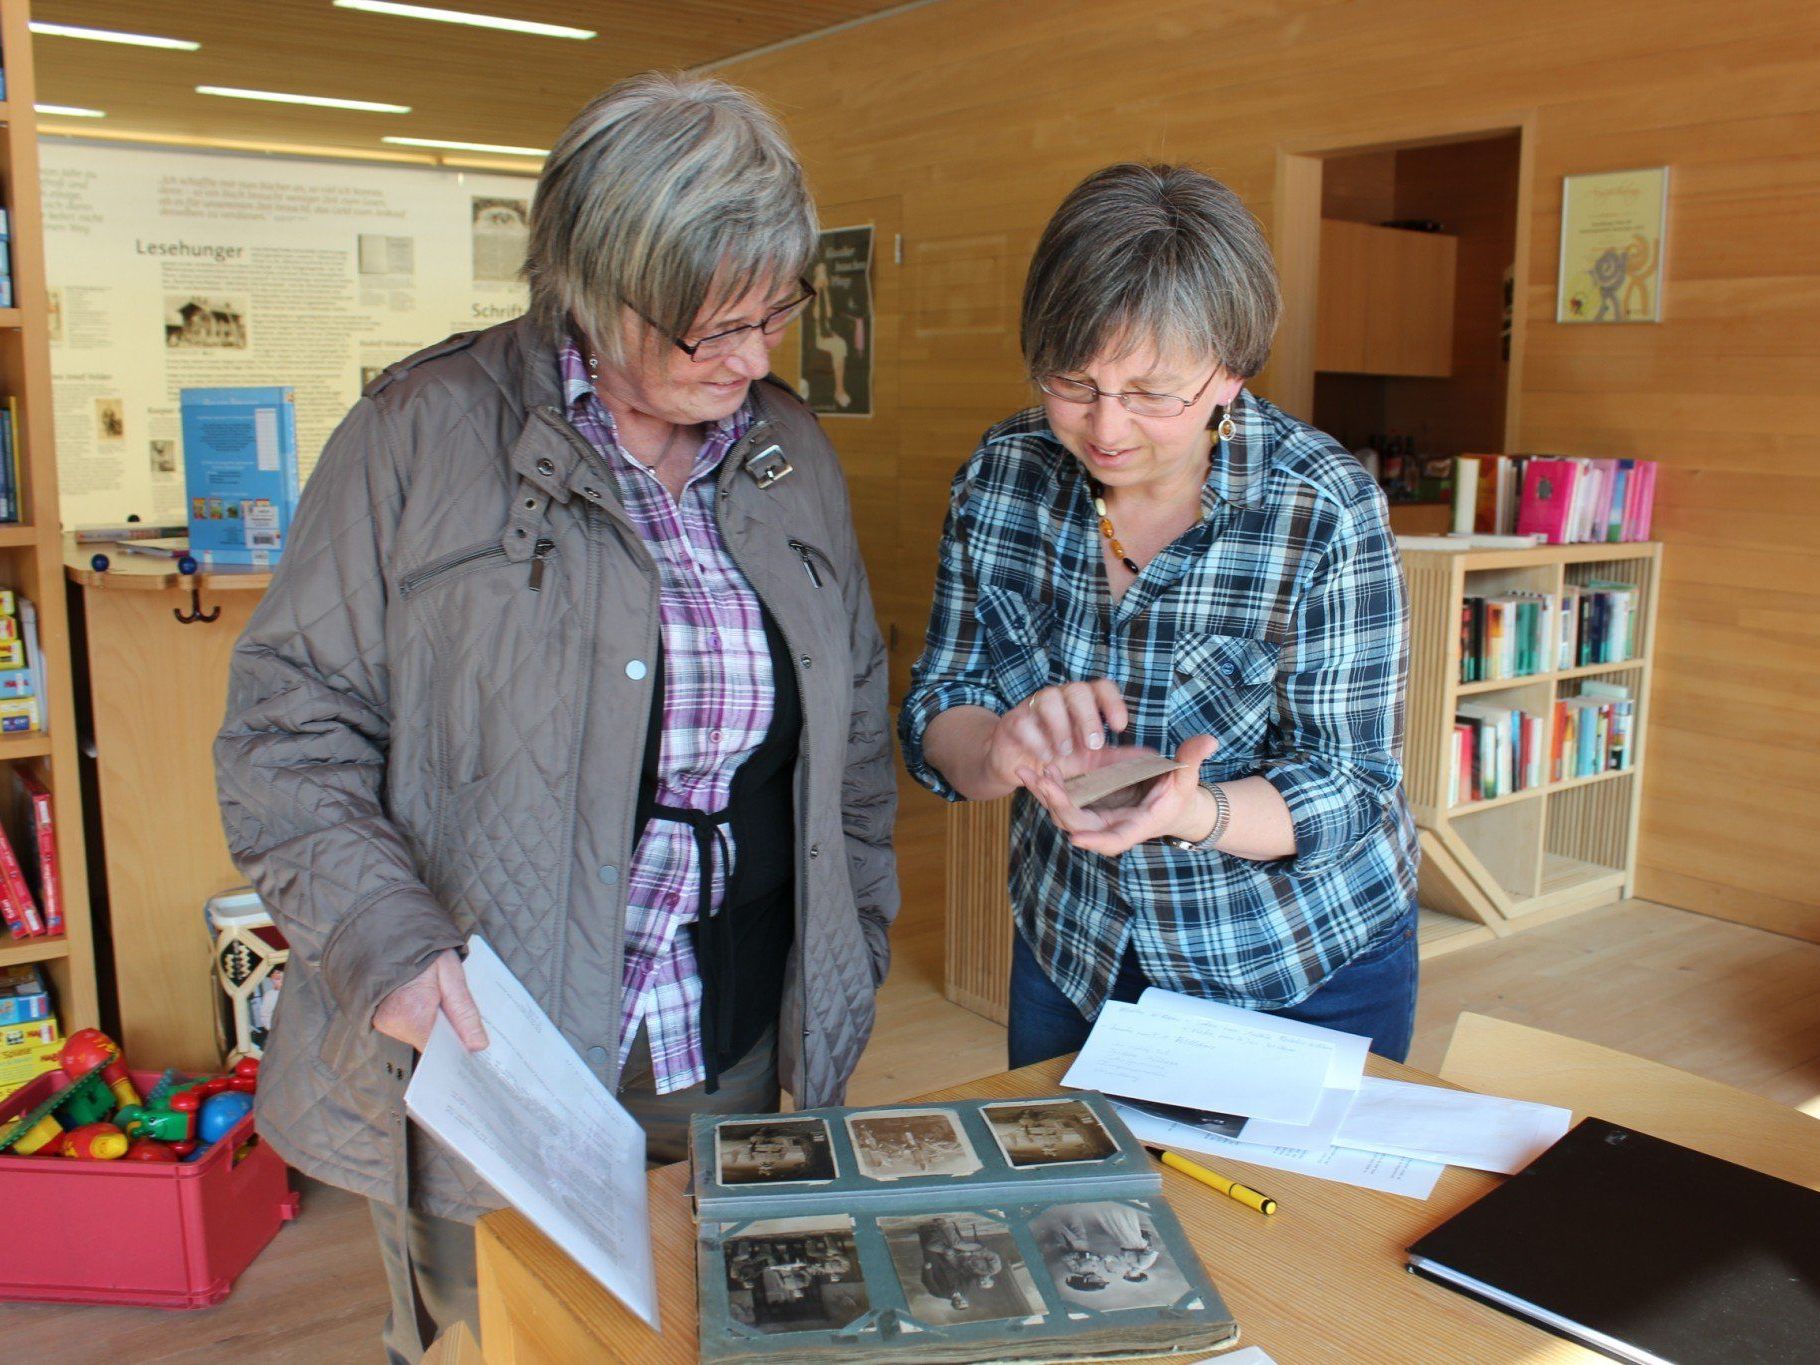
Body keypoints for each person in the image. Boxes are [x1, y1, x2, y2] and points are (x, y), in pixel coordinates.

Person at [215, 73, 897, 1363]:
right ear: (592, 287)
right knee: (494, 1345)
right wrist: (382, 940)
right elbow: (284, 735)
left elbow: (851, 728)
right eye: (711, 329)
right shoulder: (419, 436)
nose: (753, 359)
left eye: (773, 313)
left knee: (723, 1337)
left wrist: (849, 942)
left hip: (728, 1034)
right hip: (491, 1042)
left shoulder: (787, 451)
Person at [900, 162, 1417, 1072]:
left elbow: (1351, 785)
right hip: (1076, 948)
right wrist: (996, 747)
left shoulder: (1321, 508)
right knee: (1075, 1213)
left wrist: (1194, 810)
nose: (1105, 428)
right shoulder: (1003, 476)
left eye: (1150, 392)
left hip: (1291, 964)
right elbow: (942, 696)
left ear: (1230, 372)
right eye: (1073, 380)